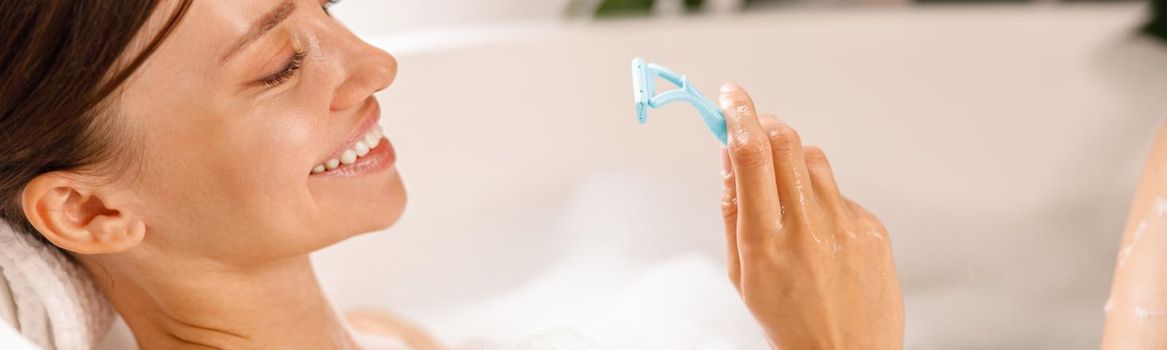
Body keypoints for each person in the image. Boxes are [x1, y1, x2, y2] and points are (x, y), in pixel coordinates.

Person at [0, 1, 904, 349]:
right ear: (88, 208)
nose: (374, 64)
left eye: (329, 9)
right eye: (279, 66)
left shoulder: (377, 335)